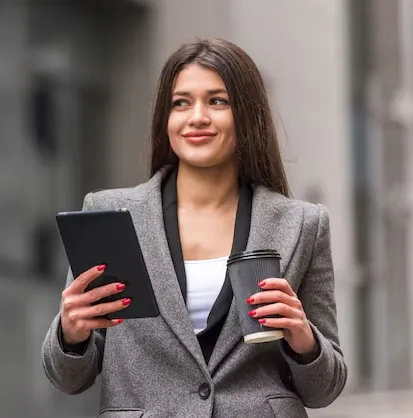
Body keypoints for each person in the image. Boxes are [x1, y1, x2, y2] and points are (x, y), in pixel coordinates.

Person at [41, 38, 347, 417]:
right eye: (181, 103)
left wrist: (303, 338)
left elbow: (325, 389)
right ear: (165, 119)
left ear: (246, 115)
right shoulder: (111, 213)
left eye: (217, 101)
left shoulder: (302, 224)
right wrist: (71, 334)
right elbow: (69, 378)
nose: (197, 116)